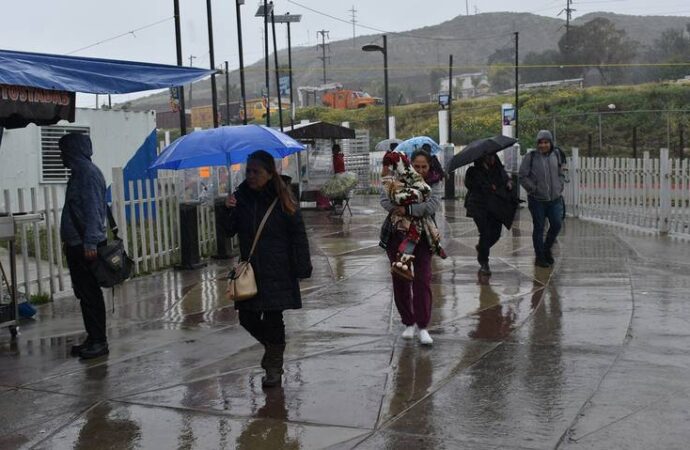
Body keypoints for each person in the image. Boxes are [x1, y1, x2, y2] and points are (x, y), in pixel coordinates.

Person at [225, 150, 312, 387]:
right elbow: (228, 231)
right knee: (246, 318)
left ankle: (274, 368)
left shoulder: (282, 195)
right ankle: (274, 348)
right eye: (248, 171)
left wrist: (302, 265)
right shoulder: (241, 196)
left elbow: (298, 233)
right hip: (251, 271)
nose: (251, 176)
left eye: (256, 171)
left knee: (274, 318)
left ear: (269, 172)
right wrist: (228, 208)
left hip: (278, 268)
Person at [380, 149, 444, 345]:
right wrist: (399, 207)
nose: (421, 170)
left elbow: (432, 205)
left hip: (423, 236)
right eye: (417, 166)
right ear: (409, 165)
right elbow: (384, 200)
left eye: (424, 166)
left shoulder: (434, 181)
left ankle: (423, 326)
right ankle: (408, 321)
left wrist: (407, 209)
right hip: (397, 235)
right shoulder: (394, 179)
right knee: (400, 277)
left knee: (422, 280)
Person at [59, 133, 109, 360]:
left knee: (90, 294)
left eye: (64, 150)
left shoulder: (86, 174)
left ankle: (99, 341)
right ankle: (93, 337)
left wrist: (90, 242)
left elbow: (93, 210)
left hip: (85, 245)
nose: (61, 155)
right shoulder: (80, 173)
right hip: (77, 243)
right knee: (84, 294)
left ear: (73, 150)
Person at [519, 130, 566, 268]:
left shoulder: (556, 154)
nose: (543, 145)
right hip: (537, 200)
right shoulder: (531, 157)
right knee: (539, 228)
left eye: (546, 142)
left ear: (550, 143)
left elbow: (561, 171)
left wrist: (560, 184)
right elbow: (522, 176)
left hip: (554, 199)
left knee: (557, 224)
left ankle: (546, 249)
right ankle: (540, 257)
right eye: (540, 142)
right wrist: (532, 189)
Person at [464, 154, 515, 276]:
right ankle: (484, 263)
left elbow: (506, 180)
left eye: (492, 156)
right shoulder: (473, 171)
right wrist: (486, 185)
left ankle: (482, 248)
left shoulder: (498, 169)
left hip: (496, 206)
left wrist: (508, 183)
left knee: (496, 234)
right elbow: (469, 184)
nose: (490, 159)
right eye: (487, 157)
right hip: (478, 206)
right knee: (485, 233)